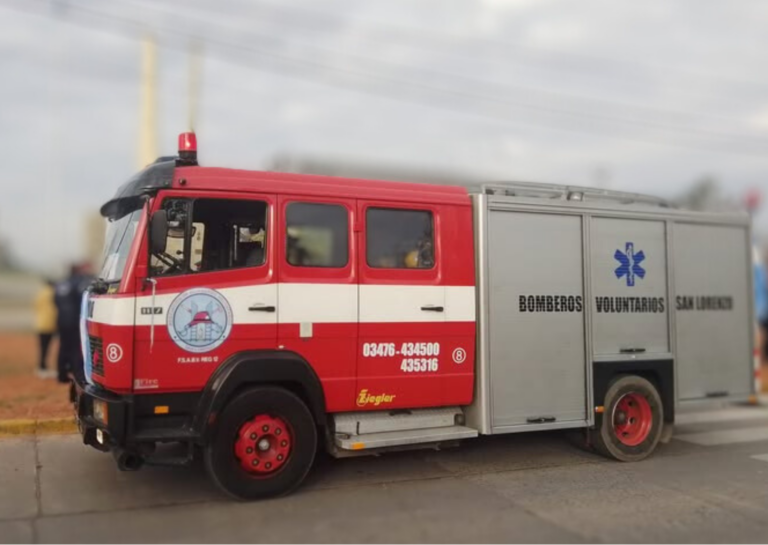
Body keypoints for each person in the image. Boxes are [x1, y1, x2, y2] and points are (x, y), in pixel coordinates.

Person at [54, 263, 93, 384]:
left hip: (61, 319)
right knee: (76, 347)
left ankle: (61, 374)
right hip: (74, 320)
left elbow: (55, 301)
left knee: (63, 346)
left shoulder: (61, 283)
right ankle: (77, 374)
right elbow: (82, 300)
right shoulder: (79, 283)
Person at [33, 279, 57, 379]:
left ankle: (42, 367)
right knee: (47, 347)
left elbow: (35, 306)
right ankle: (43, 368)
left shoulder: (40, 293)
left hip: (40, 323)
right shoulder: (53, 293)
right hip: (49, 324)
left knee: (42, 347)